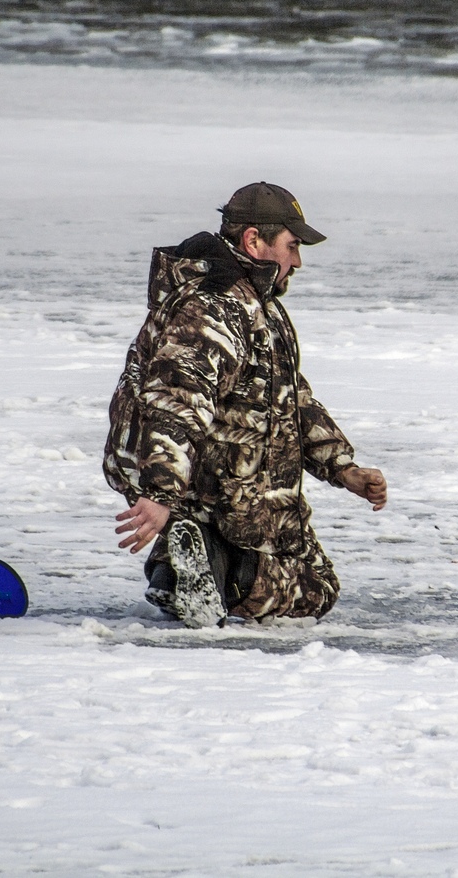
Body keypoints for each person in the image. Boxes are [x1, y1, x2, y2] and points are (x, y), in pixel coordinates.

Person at [103, 182, 387, 627]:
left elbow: (292, 400)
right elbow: (176, 399)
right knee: (314, 588)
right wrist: (159, 494)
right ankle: (211, 569)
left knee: (315, 583)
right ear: (254, 241)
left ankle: (188, 563)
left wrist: (342, 467)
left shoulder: (254, 303)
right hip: (223, 490)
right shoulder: (216, 307)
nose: (297, 260)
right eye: (291, 246)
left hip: (229, 484)